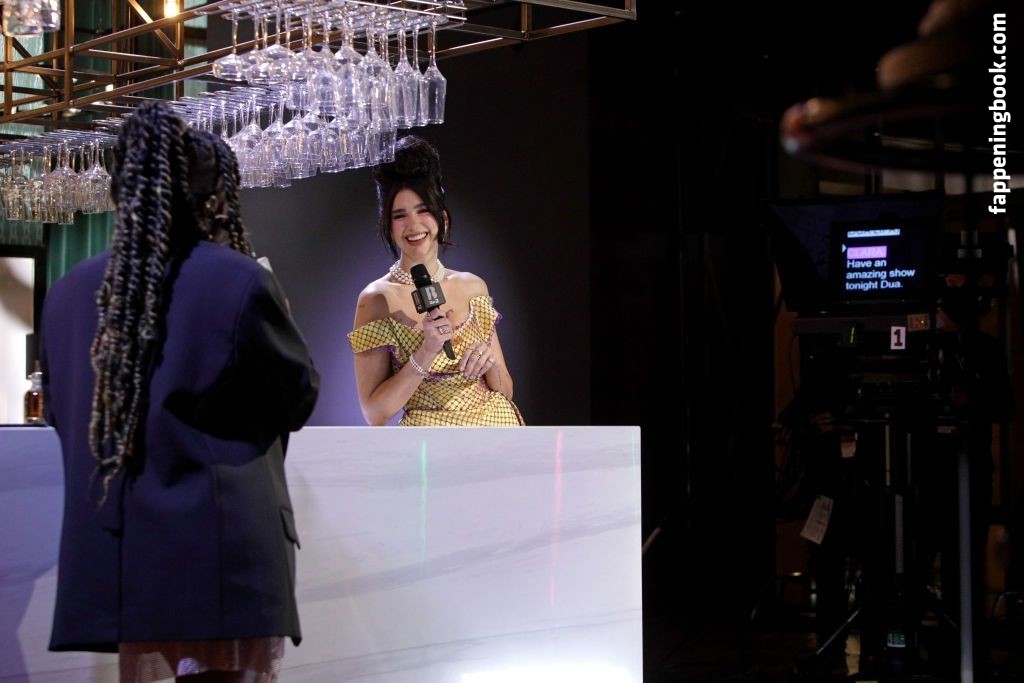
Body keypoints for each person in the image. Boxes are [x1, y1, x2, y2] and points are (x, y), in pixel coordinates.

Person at [39, 102, 319, 682]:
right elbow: (297, 397)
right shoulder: (239, 280)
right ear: (212, 199)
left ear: (120, 188)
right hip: (223, 555)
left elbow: (65, 419)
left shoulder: (68, 293)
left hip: (123, 556)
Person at [349, 135, 523, 426]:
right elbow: (375, 413)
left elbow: (506, 390)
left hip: (497, 432)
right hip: (430, 442)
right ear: (388, 226)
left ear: (442, 217)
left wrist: (489, 364)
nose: (414, 225)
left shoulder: (473, 287)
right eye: (400, 215)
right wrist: (426, 351)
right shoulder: (377, 299)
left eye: (423, 210)